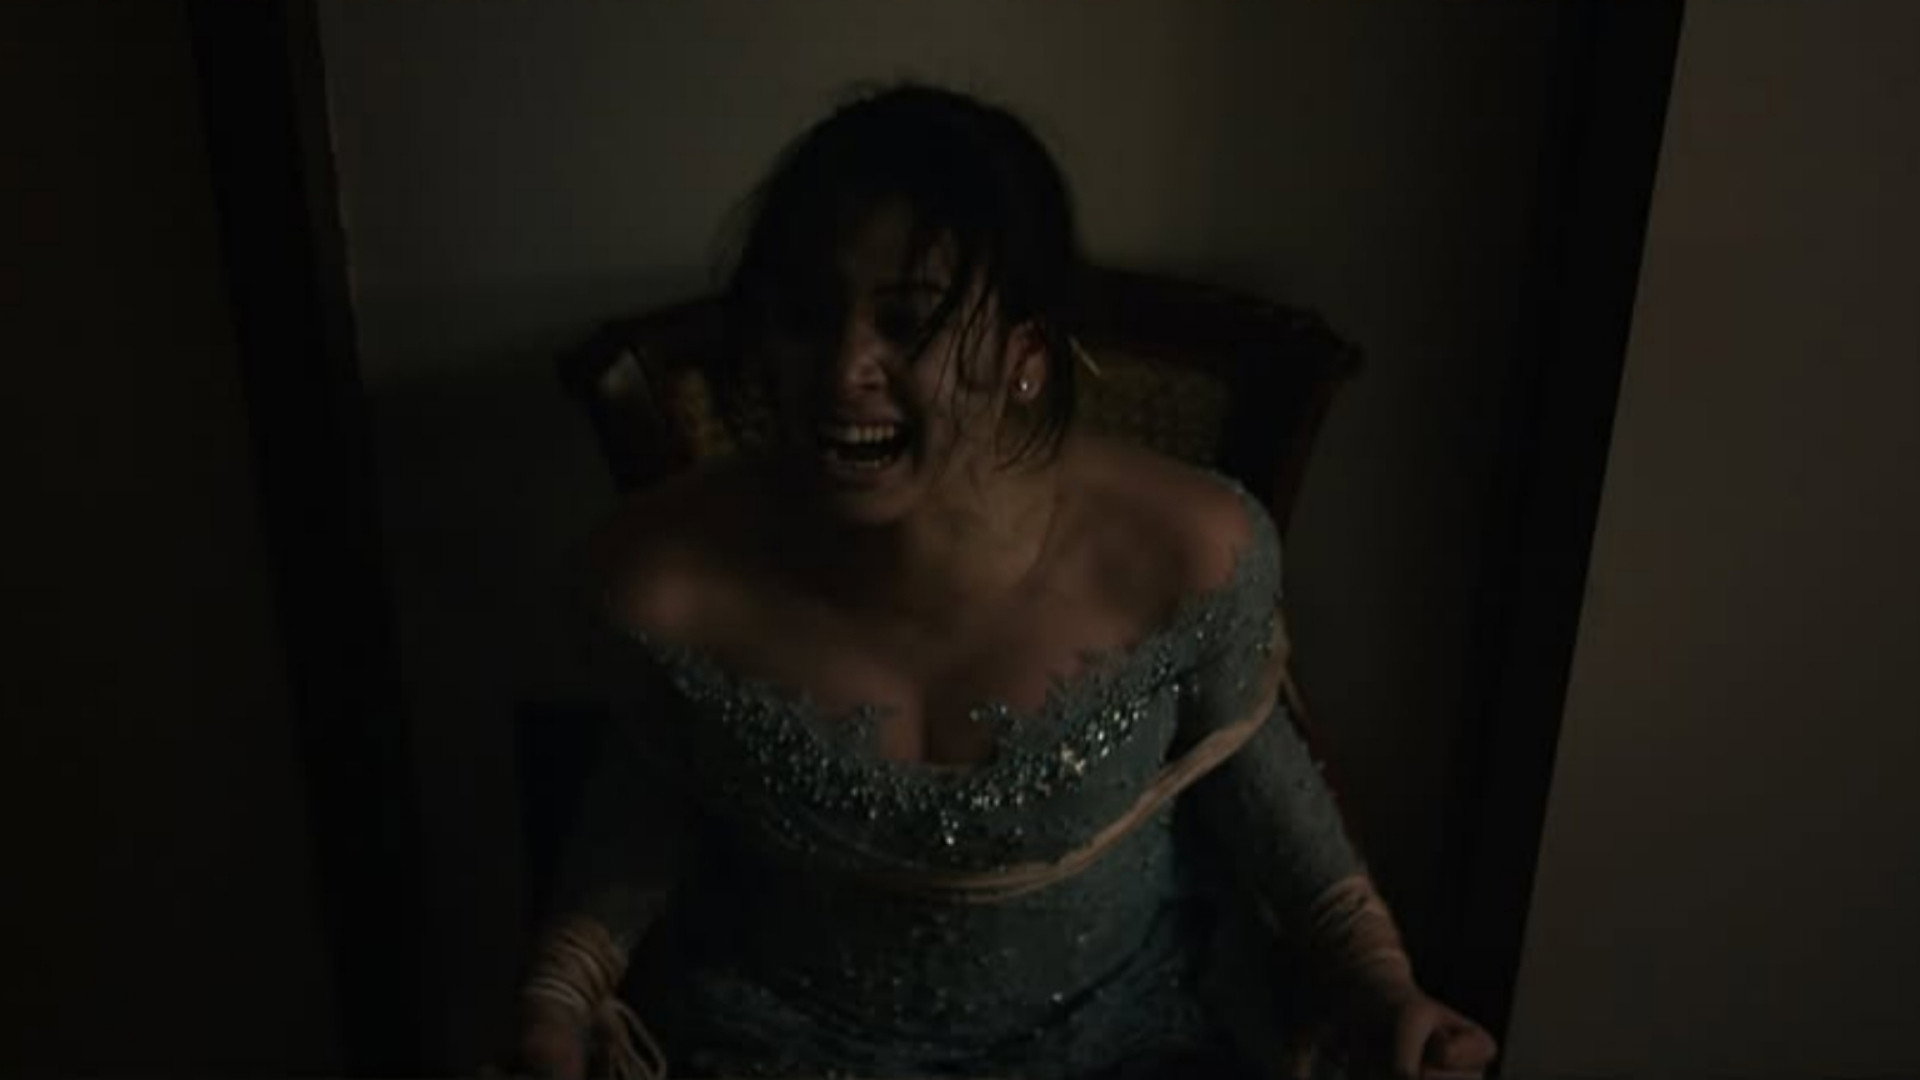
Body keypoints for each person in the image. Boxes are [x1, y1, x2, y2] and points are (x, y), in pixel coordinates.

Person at [516, 83, 1497, 1080]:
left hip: (1122, 1044)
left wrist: (1385, 987)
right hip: (785, 1045)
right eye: (808, 316)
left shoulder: (1183, 556)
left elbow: (1257, 786)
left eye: (908, 322)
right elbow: (649, 798)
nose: (844, 370)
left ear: (1025, 354)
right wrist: (555, 1002)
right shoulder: (671, 582)